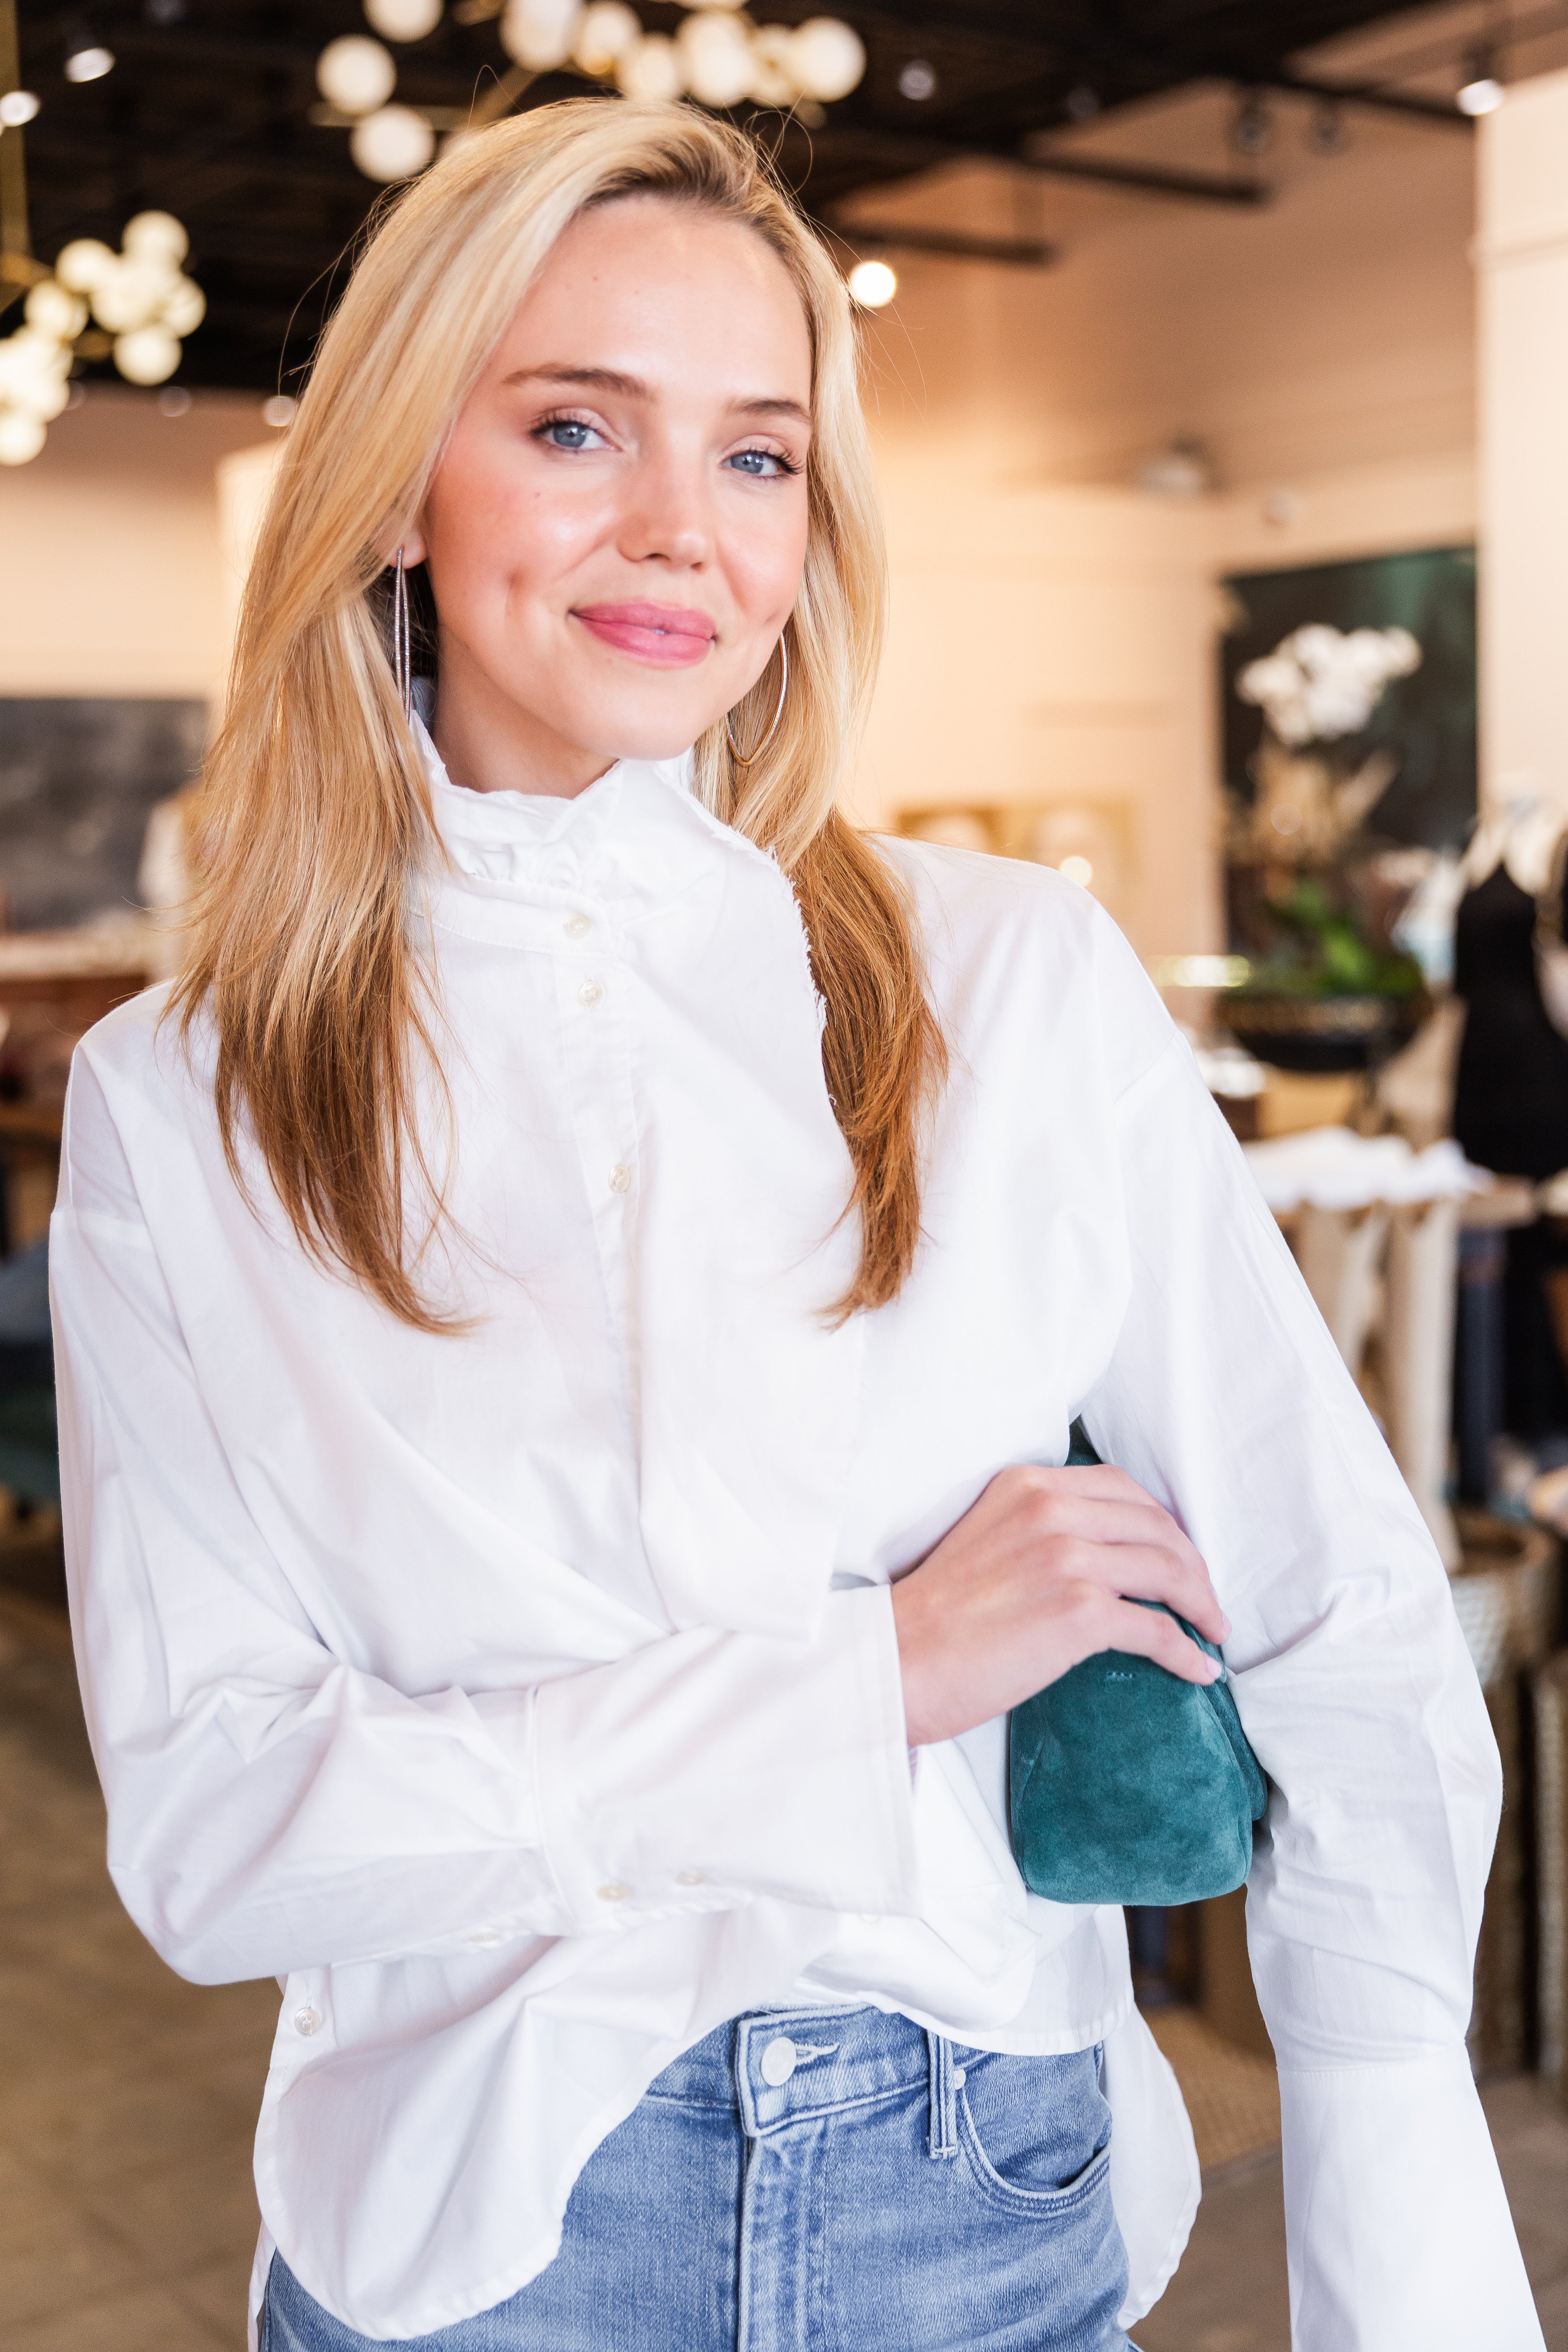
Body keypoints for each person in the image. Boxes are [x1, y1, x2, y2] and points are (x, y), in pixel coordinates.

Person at [51, 101, 1538, 2352]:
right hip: (466, 2245)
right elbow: (222, 1826)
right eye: (576, 424)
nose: (685, 533)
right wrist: (877, 1679)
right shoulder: (189, 1102)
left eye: (759, 455)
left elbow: (1349, 1633)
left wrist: (1411, 2287)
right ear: (399, 480)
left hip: (985, 2188)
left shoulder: (1010, 979)